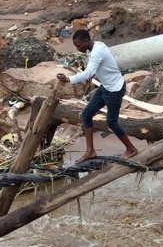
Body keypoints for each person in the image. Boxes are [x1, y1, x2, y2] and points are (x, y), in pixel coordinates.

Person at [56, 29, 138, 163]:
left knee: (111, 122)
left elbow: (88, 72)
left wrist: (69, 79)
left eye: (78, 45)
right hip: (106, 87)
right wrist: (93, 74)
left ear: (86, 41)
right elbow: (100, 67)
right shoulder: (97, 46)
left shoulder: (97, 52)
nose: (77, 48)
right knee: (87, 114)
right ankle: (90, 151)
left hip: (114, 90)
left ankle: (131, 149)